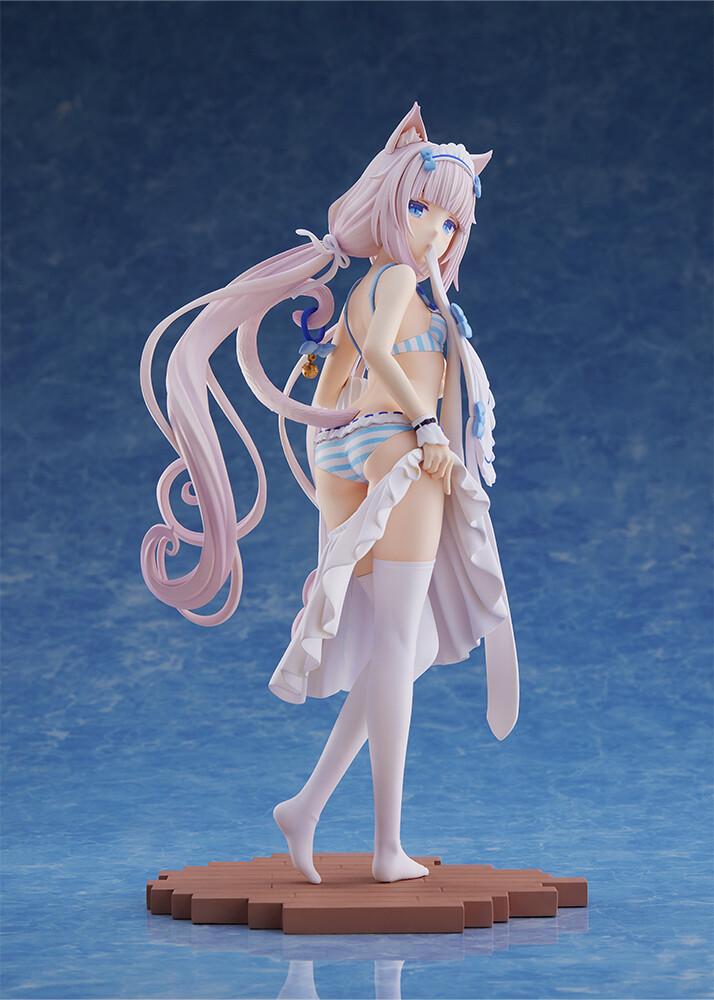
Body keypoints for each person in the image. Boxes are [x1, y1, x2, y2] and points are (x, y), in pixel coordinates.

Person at [140, 103, 519, 885]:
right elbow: (380, 353)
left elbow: (338, 381)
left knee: (404, 647)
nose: (434, 233)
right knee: (401, 640)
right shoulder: (396, 281)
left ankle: (307, 806)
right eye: (420, 210)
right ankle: (386, 849)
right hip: (397, 448)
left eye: (450, 223)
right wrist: (426, 427)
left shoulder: (382, 288)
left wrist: (350, 458)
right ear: (389, 203)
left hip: (353, 451)